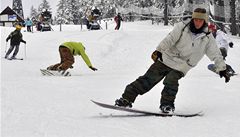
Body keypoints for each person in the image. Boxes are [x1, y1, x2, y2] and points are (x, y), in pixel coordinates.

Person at [115, 8, 230, 113]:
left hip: (183, 65)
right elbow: (170, 39)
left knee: (171, 80)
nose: (197, 22)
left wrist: (222, 68)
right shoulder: (182, 27)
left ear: (204, 21)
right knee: (148, 79)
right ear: (193, 19)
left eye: (201, 20)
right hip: (167, 58)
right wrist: (159, 50)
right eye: (196, 19)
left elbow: (215, 54)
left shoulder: (207, 37)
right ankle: (126, 99)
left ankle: (167, 105)